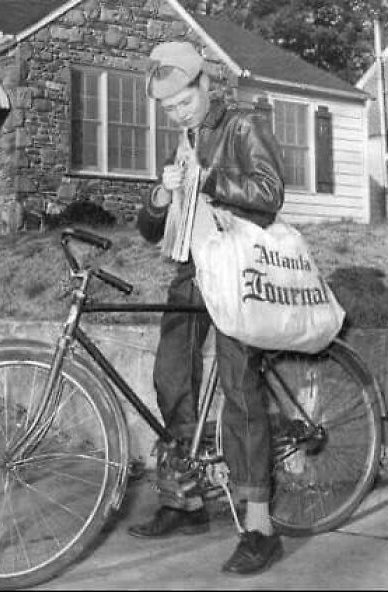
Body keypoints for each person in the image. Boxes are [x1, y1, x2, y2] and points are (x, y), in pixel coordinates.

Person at [128, 41, 286, 576]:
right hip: (190, 271)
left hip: (237, 268)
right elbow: (151, 230)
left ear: (203, 85)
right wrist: (160, 198)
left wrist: (207, 178)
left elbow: (270, 190)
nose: (176, 112)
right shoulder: (179, 143)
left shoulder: (241, 126)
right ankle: (185, 500)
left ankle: (261, 527)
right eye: (168, 107)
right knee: (171, 377)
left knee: (240, 389)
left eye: (182, 101)